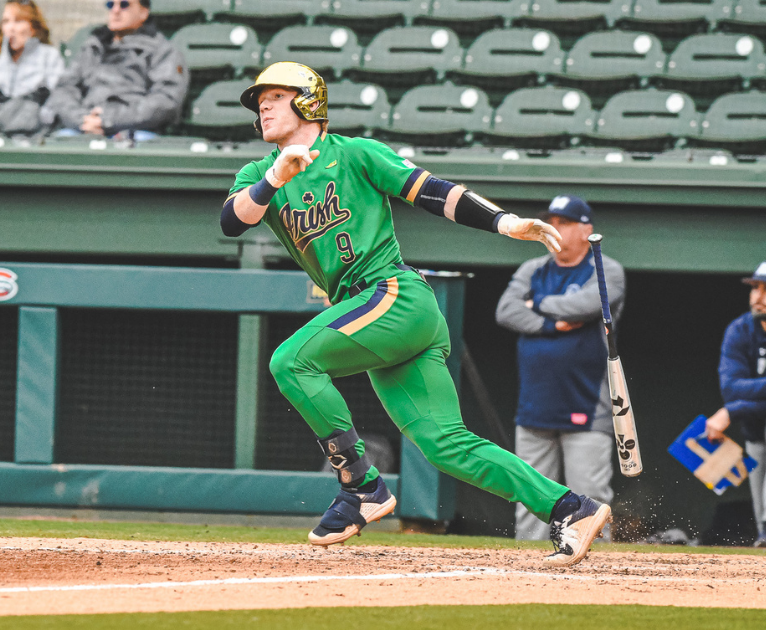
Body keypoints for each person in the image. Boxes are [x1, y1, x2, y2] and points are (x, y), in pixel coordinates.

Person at [220, 62, 611, 567]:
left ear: (308, 101)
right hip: (378, 314)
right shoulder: (259, 174)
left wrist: (504, 222)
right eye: (260, 101)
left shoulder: (354, 153)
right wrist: (276, 176)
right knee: (446, 445)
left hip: (392, 295)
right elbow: (232, 222)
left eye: (274, 95)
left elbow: (430, 191)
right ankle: (570, 508)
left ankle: (361, 485)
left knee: (291, 362)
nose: (264, 106)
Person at [495, 195, 624, 541]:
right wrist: (552, 324)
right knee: (530, 499)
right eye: (552, 221)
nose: (555, 229)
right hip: (535, 405)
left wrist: (537, 303)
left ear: (586, 230)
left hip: (585, 403)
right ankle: (528, 577)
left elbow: (588, 303)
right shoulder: (533, 268)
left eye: (565, 222)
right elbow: (506, 311)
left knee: (591, 499)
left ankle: (600, 575)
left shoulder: (604, 268)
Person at [704, 260, 766, 549]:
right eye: (755, 287)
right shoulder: (740, 329)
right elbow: (731, 389)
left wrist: (734, 410)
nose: (759, 295)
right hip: (754, 428)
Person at [44, 0, 187, 139]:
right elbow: (64, 89)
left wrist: (108, 120)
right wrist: (81, 119)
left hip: (136, 131)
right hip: (85, 128)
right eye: (110, 4)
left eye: (124, 4)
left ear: (143, 12)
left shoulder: (162, 50)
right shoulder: (92, 46)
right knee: (55, 147)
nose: (115, 10)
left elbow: (166, 101)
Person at [0, 0, 64, 135]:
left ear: (33, 27)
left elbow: (56, 100)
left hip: (32, 133)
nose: (11, 28)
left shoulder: (50, 56)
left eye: (18, 21)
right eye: (6, 21)